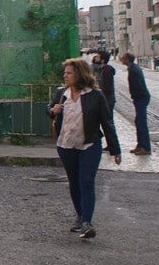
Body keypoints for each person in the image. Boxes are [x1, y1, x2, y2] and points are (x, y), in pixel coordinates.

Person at [48, 58, 121, 239]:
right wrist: (53, 111)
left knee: (86, 181)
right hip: (66, 145)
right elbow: (49, 109)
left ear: (79, 74)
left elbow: (107, 122)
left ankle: (87, 222)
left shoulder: (95, 95)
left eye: (69, 73)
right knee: (74, 182)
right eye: (65, 72)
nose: (65, 76)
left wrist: (115, 149)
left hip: (89, 144)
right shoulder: (61, 93)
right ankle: (80, 216)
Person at [120, 52, 152, 155]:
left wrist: (138, 96)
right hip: (139, 98)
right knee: (138, 122)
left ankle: (146, 147)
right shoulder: (132, 68)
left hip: (141, 98)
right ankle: (140, 145)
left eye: (123, 58)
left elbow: (139, 85)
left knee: (141, 123)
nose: (121, 59)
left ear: (128, 60)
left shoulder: (133, 70)